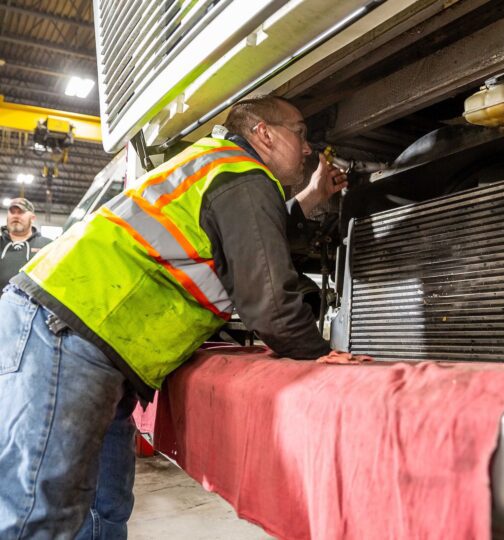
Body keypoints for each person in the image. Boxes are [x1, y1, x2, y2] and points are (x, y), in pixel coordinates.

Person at [0, 95, 349, 539]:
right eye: (299, 133)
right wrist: (317, 353)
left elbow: (239, 235)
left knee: (102, 510)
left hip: (87, 340)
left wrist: (311, 196)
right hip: (68, 334)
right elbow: (270, 303)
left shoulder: (218, 166)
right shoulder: (242, 175)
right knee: (40, 517)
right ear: (263, 132)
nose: (307, 148)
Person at [0, 198, 51, 288]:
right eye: (12, 212)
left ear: (32, 218)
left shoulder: (48, 246)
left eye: (21, 212)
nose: (15, 216)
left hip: (33, 301)